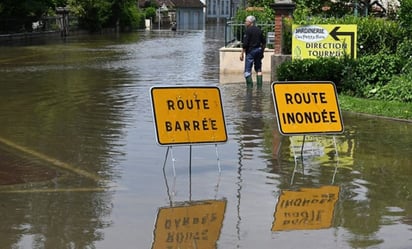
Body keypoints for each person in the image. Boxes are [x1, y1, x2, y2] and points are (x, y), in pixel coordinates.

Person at [239, 15, 266, 88]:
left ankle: (249, 89)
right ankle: (259, 88)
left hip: (250, 52)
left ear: (250, 22)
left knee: (247, 71)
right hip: (259, 50)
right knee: (259, 70)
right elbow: (264, 42)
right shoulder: (259, 30)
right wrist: (262, 52)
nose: (245, 23)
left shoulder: (248, 31)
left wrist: (242, 54)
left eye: (246, 21)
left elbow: (245, 44)